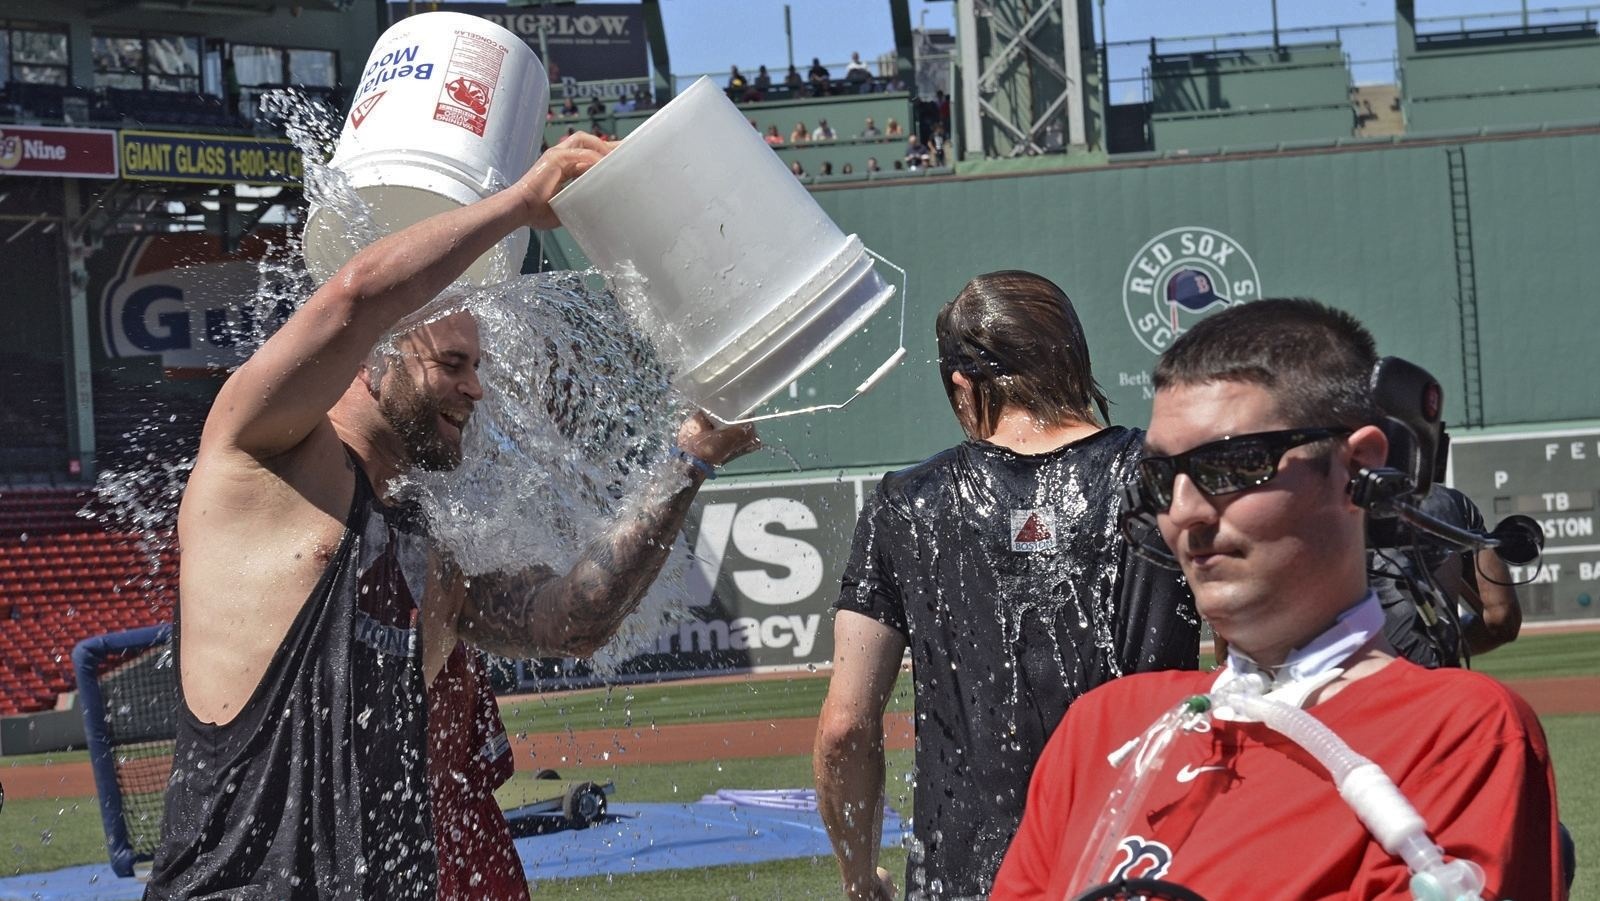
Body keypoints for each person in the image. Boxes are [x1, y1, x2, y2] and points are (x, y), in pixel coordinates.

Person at [145, 133, 761, 898]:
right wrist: (514, 207)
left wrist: (690, 458)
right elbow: (355, 296)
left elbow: (573, 619)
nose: (476, 390)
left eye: (480, 367)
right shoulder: (254, 458)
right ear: (378, 357)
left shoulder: (433, 550)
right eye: (454, 364)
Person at [991, 299, 1564, 901]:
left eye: (1232, 464)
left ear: (1356, 468)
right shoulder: (1101, 727)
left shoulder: (1458, 733)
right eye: (1161, 478)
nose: (1183, 512)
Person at [814, 271, 1200, 901]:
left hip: (967, 876)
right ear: (1073, 360)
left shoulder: (904, 506)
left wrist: (859, 878)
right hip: (1148, 857)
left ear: (961, 383)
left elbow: (845, 727)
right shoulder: (1160, 478)